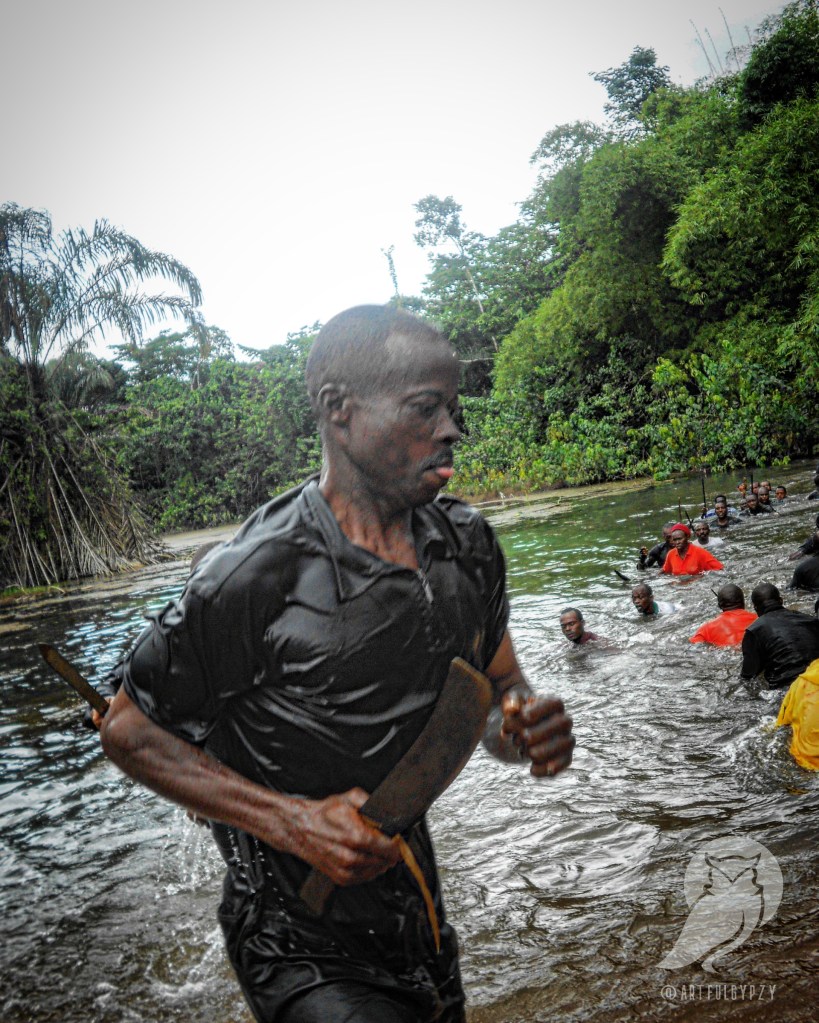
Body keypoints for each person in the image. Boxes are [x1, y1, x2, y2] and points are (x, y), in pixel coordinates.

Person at [99, 305, 575, 1023]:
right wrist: (291, 821)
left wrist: (522, 728)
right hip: (295, 940)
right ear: (338, 411)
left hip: (417, 915)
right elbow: (128, 729)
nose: (451, 429)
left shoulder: (469, 545)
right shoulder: (254, 573)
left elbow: (494, 685)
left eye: (452, 407)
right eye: (425, 408)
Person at [738, 583, 819, 693]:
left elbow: (748, 677)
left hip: (787, 691)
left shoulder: (754, 631)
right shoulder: (809, 620)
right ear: (781, 600)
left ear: (756, 608)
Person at [689, 584, 756, 647]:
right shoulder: (758, 619)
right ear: (743, 602)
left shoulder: (706, 629)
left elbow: (694, 646)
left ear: (719, 606)